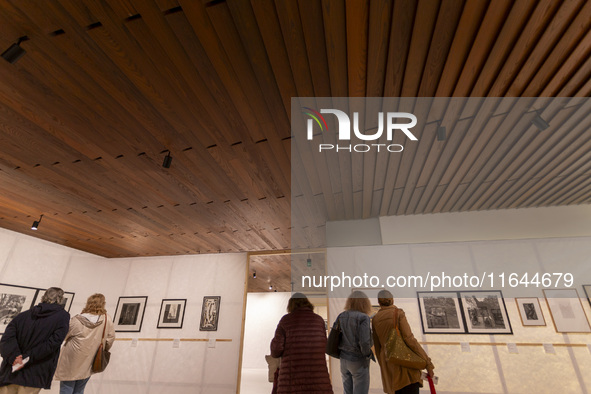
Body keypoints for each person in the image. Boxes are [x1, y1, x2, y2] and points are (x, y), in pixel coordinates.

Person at [0, 287, 70, 394]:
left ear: (44, 296)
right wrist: (26, 358)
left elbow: (7, 339)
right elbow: (52, 344)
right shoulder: (63, 316)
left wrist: (15, 357)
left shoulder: (23, 315)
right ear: (61, 299)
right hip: (35, 374)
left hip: (11, 373)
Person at [372, 290, 434, 394]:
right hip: (404, 365)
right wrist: (428, 363)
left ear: (379, 303)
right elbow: (410, 339)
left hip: (388, 365)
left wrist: (384, 366)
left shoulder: (375, 319)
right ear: (392, 300)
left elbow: (378, 347)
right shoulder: (398, 313)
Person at [270, 293, 333, 393]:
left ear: (291, 305)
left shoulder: (286, 320)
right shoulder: (319, 320)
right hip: (318, 379)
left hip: (291, 381)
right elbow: (324, 345)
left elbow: (276, 350)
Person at [54, 293, 115, 394]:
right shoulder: (106, 319)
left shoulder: (77, 319)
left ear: (88, 303)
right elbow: (110, 339)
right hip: (90, 359)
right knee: (80, 389)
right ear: (103, 304)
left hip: (72, 359)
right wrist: (103, 349)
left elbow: (64, 336)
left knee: (67, 388)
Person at [335, 291, 375, 394]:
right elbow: (365, 342)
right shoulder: (364, 317)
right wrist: (368, 354)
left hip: (343, 360)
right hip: (358, 360)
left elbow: (335, 336)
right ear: (365, 303)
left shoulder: (341, 316)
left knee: (347, 391)